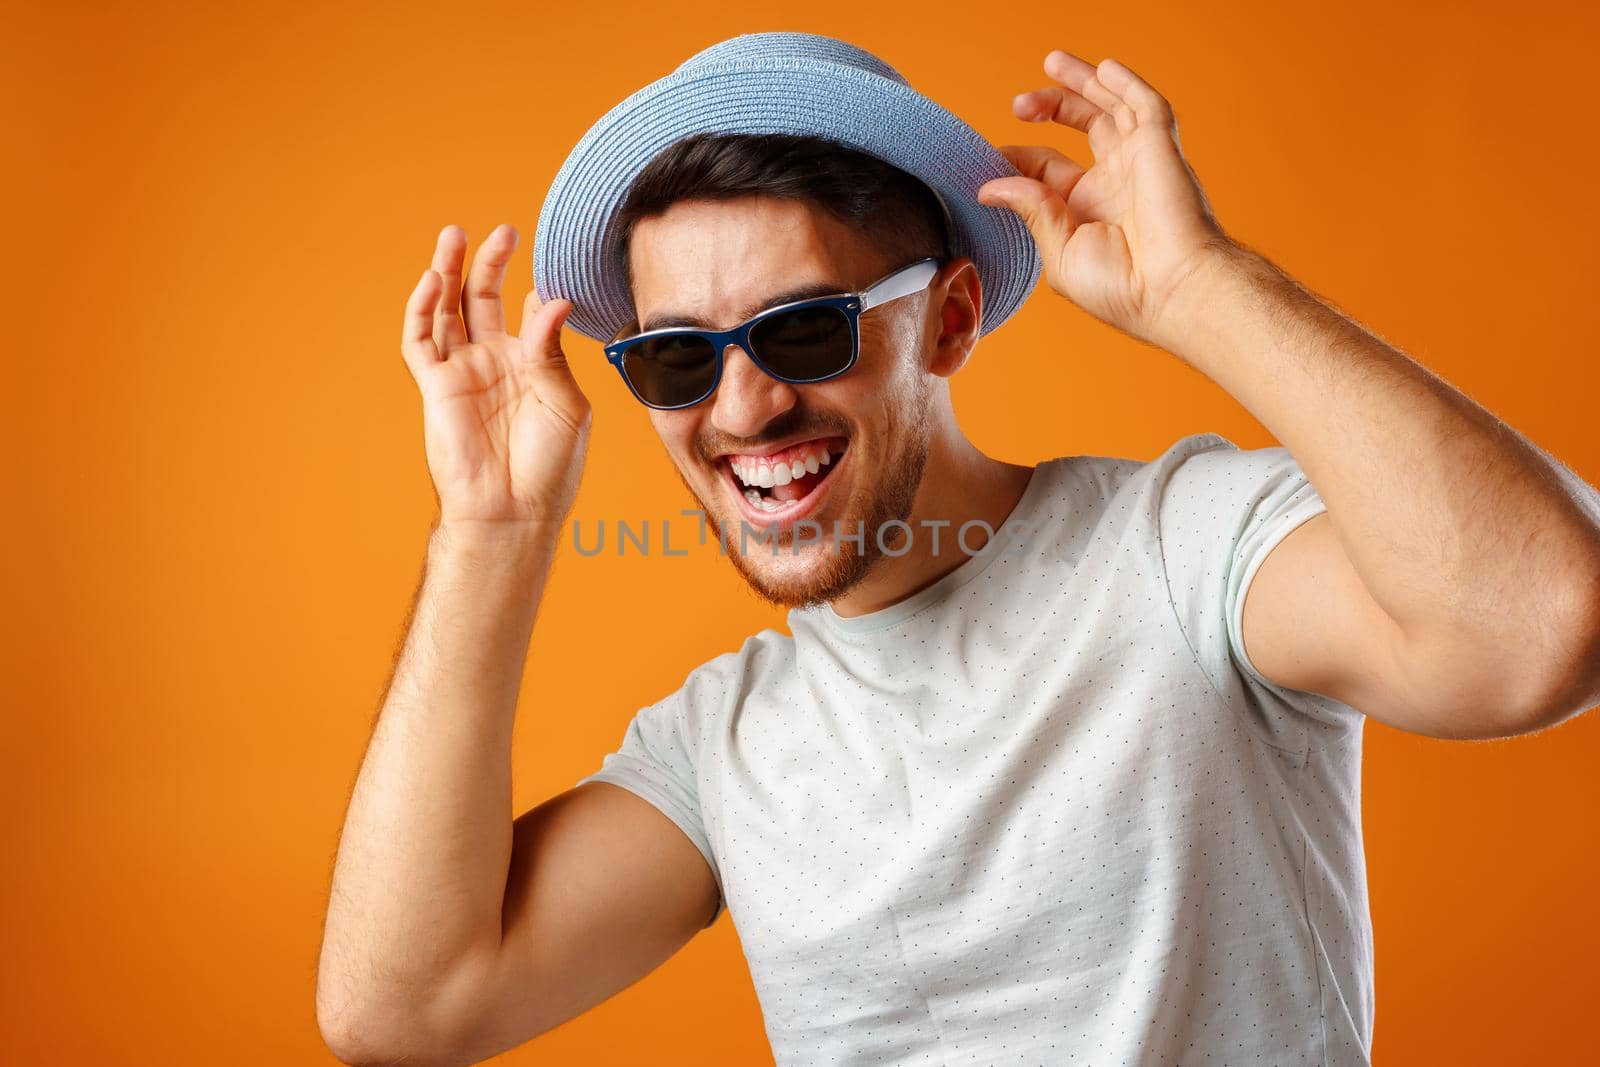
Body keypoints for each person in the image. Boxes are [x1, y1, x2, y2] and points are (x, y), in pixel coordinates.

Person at [315, 31, 1600, 1067]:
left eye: (805, 330)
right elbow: (404, 1010)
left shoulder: (1184, 550)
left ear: (949, 318)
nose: (742, 408)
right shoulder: (723, 749)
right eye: (675, 356)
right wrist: (492, 527)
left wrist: (1201, 287)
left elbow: (1543, 623)